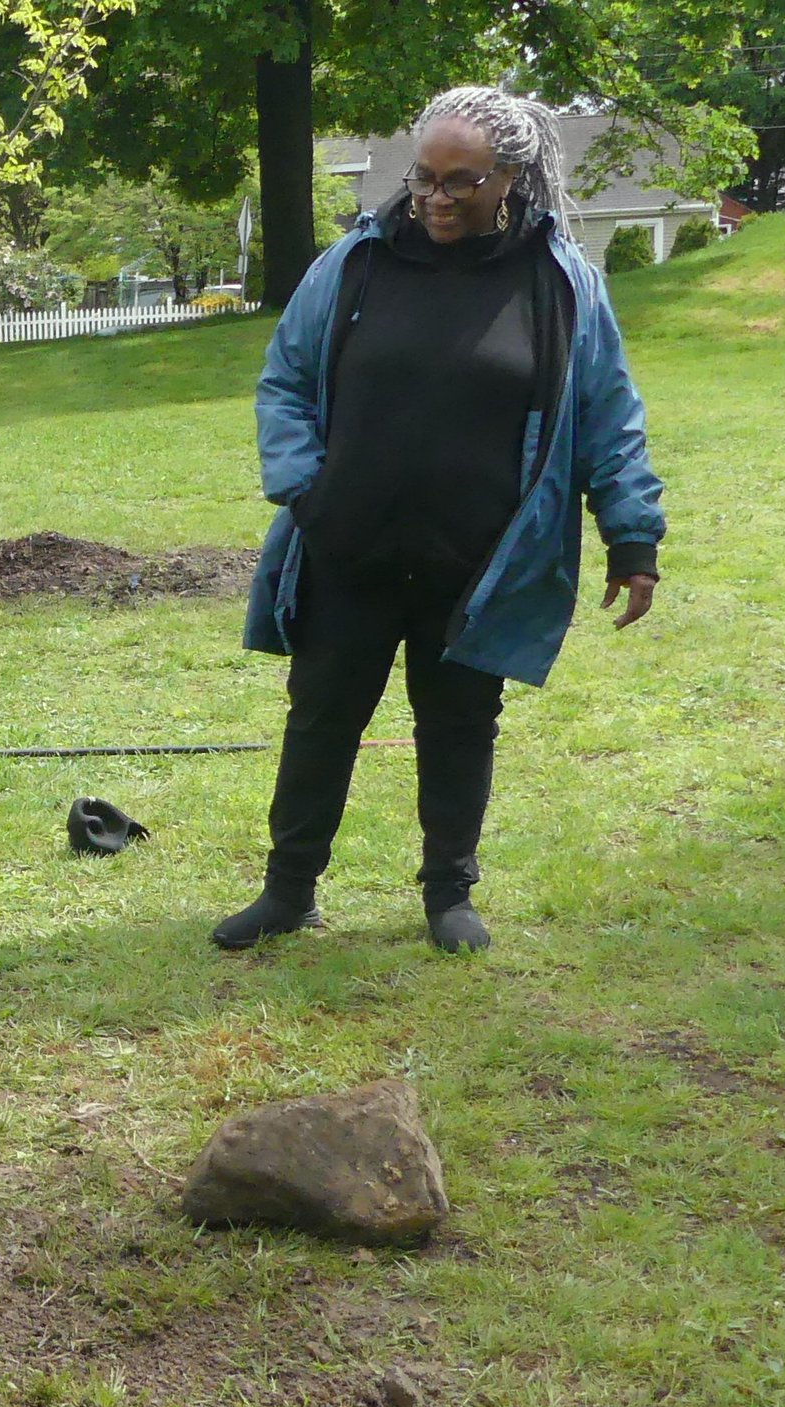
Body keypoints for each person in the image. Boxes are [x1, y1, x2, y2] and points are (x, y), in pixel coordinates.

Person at [220, 86, 665, 955]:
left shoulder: (559, 283)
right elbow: (285, 382)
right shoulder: (354, 265)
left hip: (480, 560)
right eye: (424, 177)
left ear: (510, 179)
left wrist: (632, 536)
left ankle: (448, 895)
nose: (436, 197)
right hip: (349, 546)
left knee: (460, 726)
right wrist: (307, 491)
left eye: (462, 181)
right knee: (320, 718)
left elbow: (608, 416)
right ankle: (288, 890)